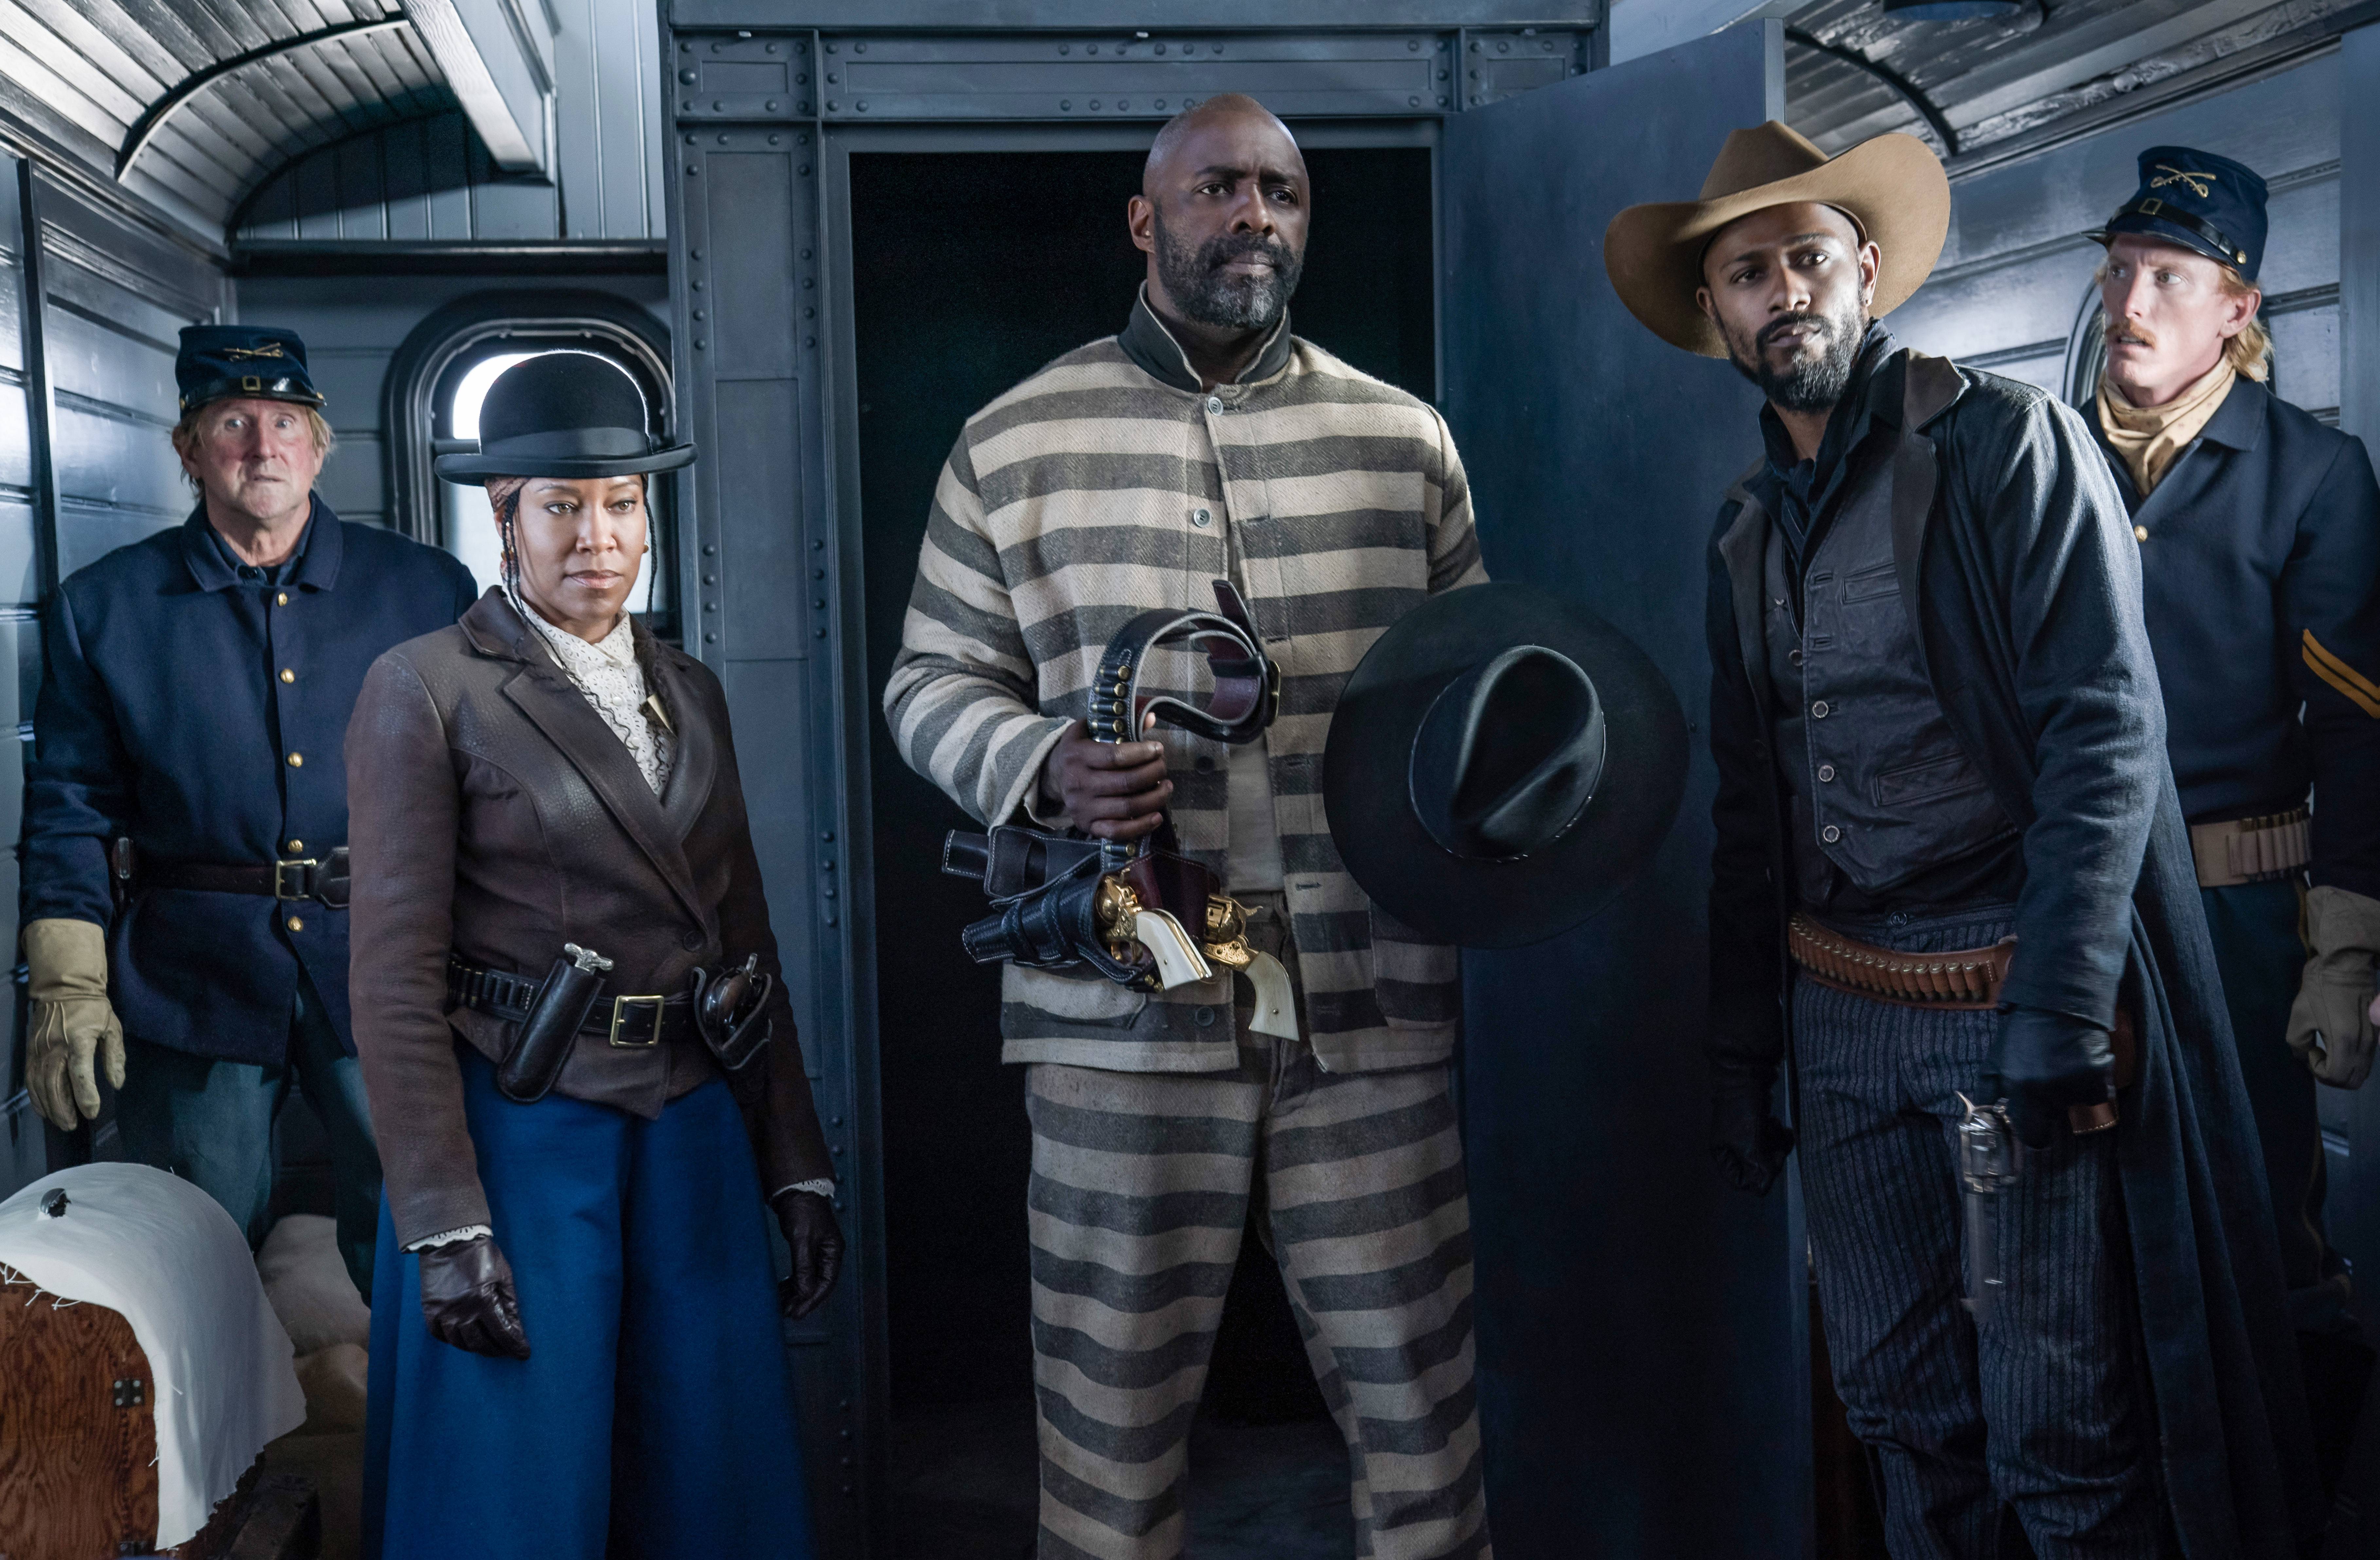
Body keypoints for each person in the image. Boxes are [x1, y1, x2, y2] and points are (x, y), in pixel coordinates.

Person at [1604, 122, 2319, 1556]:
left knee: (2062, 1430)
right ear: (1714, 314)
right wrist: (1744, 1047)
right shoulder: (1745, 531)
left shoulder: (2002, 444)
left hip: (2008, 992)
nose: (1782, 290)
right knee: (1900, 1411)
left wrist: (2061, 1003)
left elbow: (2101, 731)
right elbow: (1755, 809)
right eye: (1747, 273)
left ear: (1865, 272)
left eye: (1807, 257)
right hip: (1842, 1011)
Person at [885, 95, 1492, 1560]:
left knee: (1423, 1410)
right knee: (1105, 1432)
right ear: (1146, 222)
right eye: (1219, 188)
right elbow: (922, 682)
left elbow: (1477, 696)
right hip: (1123, 1004)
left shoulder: (1402, 441)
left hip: (1365, 1005)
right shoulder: (1011, 438)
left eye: (1281, 192)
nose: (1255, 217)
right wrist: (1041, 764)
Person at [347, 352, 841, 1559]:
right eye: (561, 504)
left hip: (691, 1121)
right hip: (522, 1124)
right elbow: (394, 982)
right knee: (518, 1482)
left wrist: (795, 1165)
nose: (597, 536)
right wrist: (442, 1222)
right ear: (504, 516)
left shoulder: (691, 690)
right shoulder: (426, 687)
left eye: (622, 503)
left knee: (707, 1473)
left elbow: (746, 938)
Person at [18, 325, 476, 1297]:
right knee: (191, 1253)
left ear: (318, 446)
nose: (262, 446)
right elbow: (70, 808)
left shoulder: (427, 590)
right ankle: (225, 1456)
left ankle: (418, 1449)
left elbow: (481, 787)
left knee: (421, 1235)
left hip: (386, 964)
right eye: (232, 422)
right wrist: (67, 977)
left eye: (284, 422)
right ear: (188, 450)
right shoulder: (104, 607)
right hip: (192, 977)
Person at [2084, 147, 2380, 1445]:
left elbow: (2355, 729)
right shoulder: (2041, 457)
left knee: (2265, 1226)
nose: (2132, 303)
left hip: (2241, 922)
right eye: (2118, 271)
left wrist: (2350, 947)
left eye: (2168, 276)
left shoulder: (2310, 474)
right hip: (2074, 912)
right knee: (2084, 1224)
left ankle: (2295, 1509)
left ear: (2237, 311)